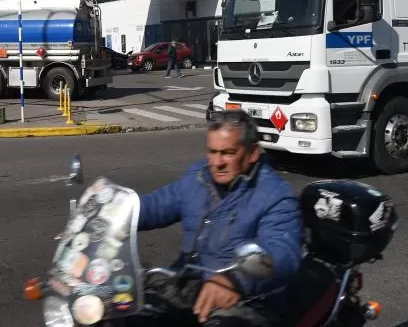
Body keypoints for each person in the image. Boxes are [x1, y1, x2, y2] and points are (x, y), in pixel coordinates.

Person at [126, 110, 303, 326]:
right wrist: (117, 210)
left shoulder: (275, 195)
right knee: (126, 307)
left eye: (228, 153)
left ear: (253, 153)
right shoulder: (198, 177)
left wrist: (237, 280)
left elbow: (283, 252)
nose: (217, 162)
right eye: (212, 152)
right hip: (190, 282)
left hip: (246, 300)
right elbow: (158, 204)